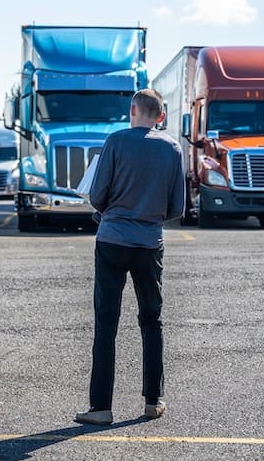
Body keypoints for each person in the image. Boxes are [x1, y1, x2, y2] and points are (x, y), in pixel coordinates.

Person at [75, 88, 185, 426]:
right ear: (161, 116)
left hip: (112, 241)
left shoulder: (116, 141)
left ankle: (101, 408)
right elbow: (177, 207)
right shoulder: (172, 148)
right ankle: (153, 400)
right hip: (150, 244)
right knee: (152, 321)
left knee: (106, 324)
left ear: (133, 110)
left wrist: (113, 210)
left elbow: (97, 195)